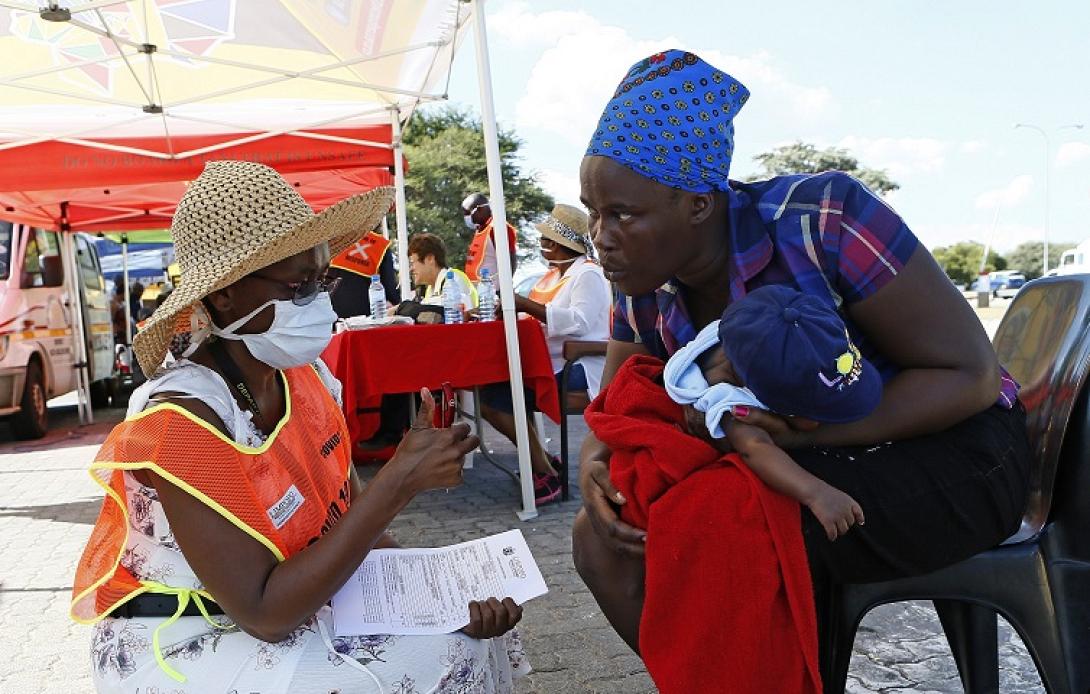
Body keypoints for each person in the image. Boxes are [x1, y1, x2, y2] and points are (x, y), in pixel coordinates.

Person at [572, 49, 1029, 686]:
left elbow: (968, 378)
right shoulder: (642, 278)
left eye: (622, 213)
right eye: (594, 213)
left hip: (957, 448)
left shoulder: (822, 221)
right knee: (601, 540)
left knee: (728, 521)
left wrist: (798, 435)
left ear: (699, 204)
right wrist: (597, 461)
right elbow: (619, 410)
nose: (601, 236)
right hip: (797, 458)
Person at [71, 161, 529, 693]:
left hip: (286, 600)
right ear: (224, 295)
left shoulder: (305, 377)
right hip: (185, 637)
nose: (321, 303)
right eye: (299, 286)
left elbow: (349, 521)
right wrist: (399, 481)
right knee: (443, 655)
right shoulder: (181, 422)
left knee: (470, 634)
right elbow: (265, 613)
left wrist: (431, 594)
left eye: (323, 279)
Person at [478, 204, 611, 506]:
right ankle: (543, 461)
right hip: (549, 361)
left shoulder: (588, 274)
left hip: (580, 364)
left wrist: (526, 306)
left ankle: (543, 471)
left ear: (560, 243)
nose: (541, 245)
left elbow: (580, 322)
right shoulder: (551, 277)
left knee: (499, 399)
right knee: (493, 392)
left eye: (546, 240)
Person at [328, 228, 401, 318]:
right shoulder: (380, 245)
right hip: (364, 320)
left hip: (329, 317)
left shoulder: (329, 240)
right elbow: (390, 291)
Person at [408, 232, 478, 313]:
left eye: (413, 262)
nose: (411, 269)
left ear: (430, 259)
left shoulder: (454, 279)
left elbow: (455, 314)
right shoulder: (430, 289)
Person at [462, 192, 518, 283]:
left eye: (467, 213)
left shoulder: (498, 228)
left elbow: (510, 260)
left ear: (480, 209)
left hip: (492, 291)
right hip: (477, 290)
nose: (466, 217)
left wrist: (504, 289)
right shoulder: (480, 229)